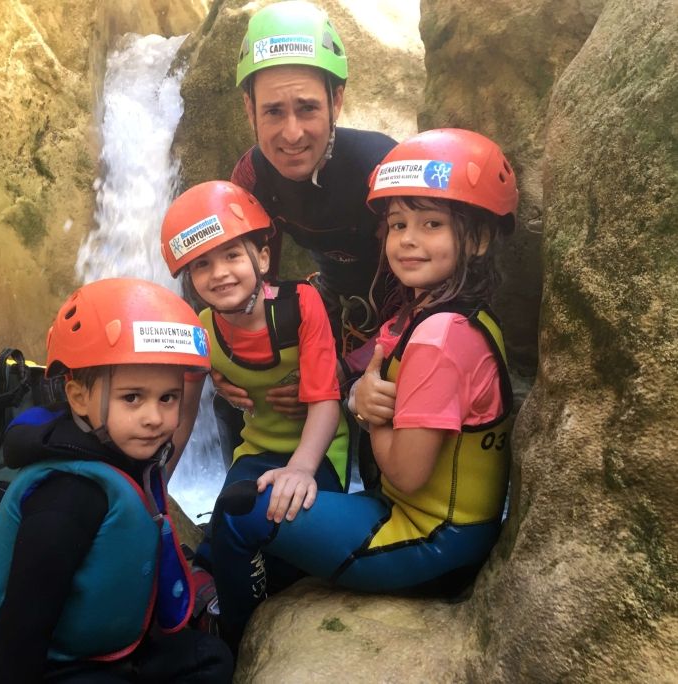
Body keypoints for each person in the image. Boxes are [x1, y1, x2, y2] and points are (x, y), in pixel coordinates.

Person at [207, 128, 519, 652]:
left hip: (428, 542)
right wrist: (350, 394)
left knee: (240, 512)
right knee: (274, 487)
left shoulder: (440, 339)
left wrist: (371, 413)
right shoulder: (441, 313)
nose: (408, 239)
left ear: (480, 238)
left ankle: (233, 641)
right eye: (397, 224)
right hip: (439, 527)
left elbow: (406, 473)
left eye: (432, 224)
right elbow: (353, 368)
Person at [0, 278, 233, 683]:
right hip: (55, 664)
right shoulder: (69, 497)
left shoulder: (125, 458)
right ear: (78, 397)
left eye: (168, 398)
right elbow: (23, 624)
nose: (154, 418)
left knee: (210, 658)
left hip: (109, 648)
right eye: (132, 398)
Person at [217, 0, 398, 482]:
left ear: (336, 102)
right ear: (249, 109)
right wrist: (226, 362)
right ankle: (244, 513)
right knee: (239, 398)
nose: (291, 133)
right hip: (333, 306)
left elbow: (428, 291)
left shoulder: (379, 167)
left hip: (403, 318)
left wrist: (346, 369)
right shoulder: (253, 176)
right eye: (273, 111)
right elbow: (250, 285)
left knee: (380, 434)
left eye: (309, 109)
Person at [160, 180, 350, 575]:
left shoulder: (300, 304)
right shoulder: (203, 330)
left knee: (289, 544)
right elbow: (184, 415)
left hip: (322, 450)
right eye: (202, 264)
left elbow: (325, 400)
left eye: (232, 255)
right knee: (223, 540)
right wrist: (156, 484)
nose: (220, 274)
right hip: (257, 450)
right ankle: (218, 617)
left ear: (262, 259)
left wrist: (300, 468)